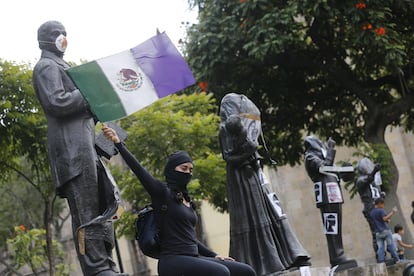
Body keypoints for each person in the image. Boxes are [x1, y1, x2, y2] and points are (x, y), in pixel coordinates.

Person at [32, 21, 125, 275]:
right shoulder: (46, 66)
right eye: (56, 34)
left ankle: (105, 262)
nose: (63, 38)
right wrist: (89, 93)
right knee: (85, 209)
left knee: (100, 204)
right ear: (45, 40)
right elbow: (56, 102)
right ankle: (96, 267)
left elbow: (82, 111)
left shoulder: (64, 66)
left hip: (86, 147)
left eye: (64, 33)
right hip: (71, 151)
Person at [102, 125, 257, 276]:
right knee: (221, 272)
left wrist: (214, 255)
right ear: (171, 170)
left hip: (193, 257)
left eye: (190, 170)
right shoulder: (162, 193)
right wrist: (118, 144)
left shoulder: (188, 202)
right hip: (172, 260)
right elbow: (139, 170)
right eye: (183, 169)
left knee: (245, 271)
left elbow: (190, 239)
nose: (188, 173)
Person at [218, 93, 311, 275]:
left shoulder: (240, 126)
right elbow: (228, 157)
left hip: (253, 173)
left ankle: (284, 255)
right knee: (251, 216)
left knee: (268, 212)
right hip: (240, 179)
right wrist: (248, 152)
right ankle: (260, 263)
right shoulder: (224, 129)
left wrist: (251, 150)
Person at [304, 135, 357, 271]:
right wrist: (331, 150)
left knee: (336, 226)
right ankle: (337, 256)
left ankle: (339, 254)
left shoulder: (320, 156)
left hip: (334, 194)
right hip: (326, 195)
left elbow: (332, 172)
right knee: (331, 227)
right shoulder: (310, 157)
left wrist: (346, 171)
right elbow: (325, 168)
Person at [355, 157, 383, 257]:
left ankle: (386, 252)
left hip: (377, 208)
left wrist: (381, 195)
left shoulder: (372, 181)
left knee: (383, 231)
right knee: (376, 233)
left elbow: (375, 192)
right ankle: (380, 255)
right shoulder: (360, 180)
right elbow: (367, 180)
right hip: (370, 209)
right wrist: (374, 171)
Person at [369, 197, 400, 264]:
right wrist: (392, 212)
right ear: (380, 203)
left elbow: (379, 220)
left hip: (377, 233)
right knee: (391, 245)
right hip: (385, 231)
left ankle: (381, 262)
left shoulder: (372, 212)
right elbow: (384, 218)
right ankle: (397, 260)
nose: (383, 206)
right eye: (383, 204)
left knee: (380, 248)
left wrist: (386, 220)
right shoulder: (381, 210)